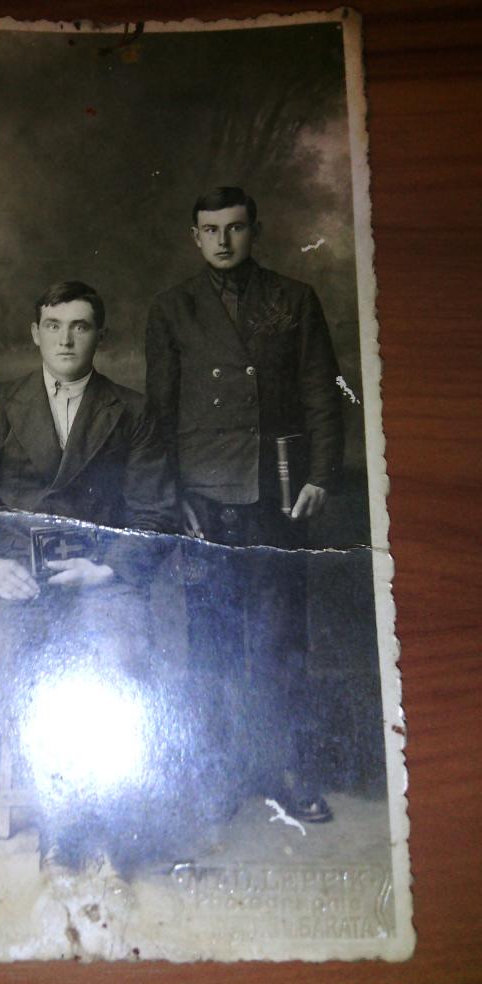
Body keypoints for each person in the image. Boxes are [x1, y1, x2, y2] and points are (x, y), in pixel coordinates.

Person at [0, 280, 177, 869]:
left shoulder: (132, 409)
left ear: (100, 336)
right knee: (10, 665)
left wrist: (107, 568)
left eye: (80, 326)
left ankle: (108, 822)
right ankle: (60, 826)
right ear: (35, 334)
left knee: (121, 661)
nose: (66, 339)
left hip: (99, 577)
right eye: (54, 326)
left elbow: (156, 515)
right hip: (19, 581)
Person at [145, 185, 344, 823]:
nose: (223, 240)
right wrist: (172, 497)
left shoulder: (293, 299)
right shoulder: (171, 308)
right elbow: (159, 413)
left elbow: (322, 392)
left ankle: (288, 768)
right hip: (206, 499)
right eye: (211, 229)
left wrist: (322, 473)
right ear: (195, 236)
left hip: (277, 495)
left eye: (234, 227)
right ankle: (217, 771)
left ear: (254, 230)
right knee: (211, 641)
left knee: (282, 639)